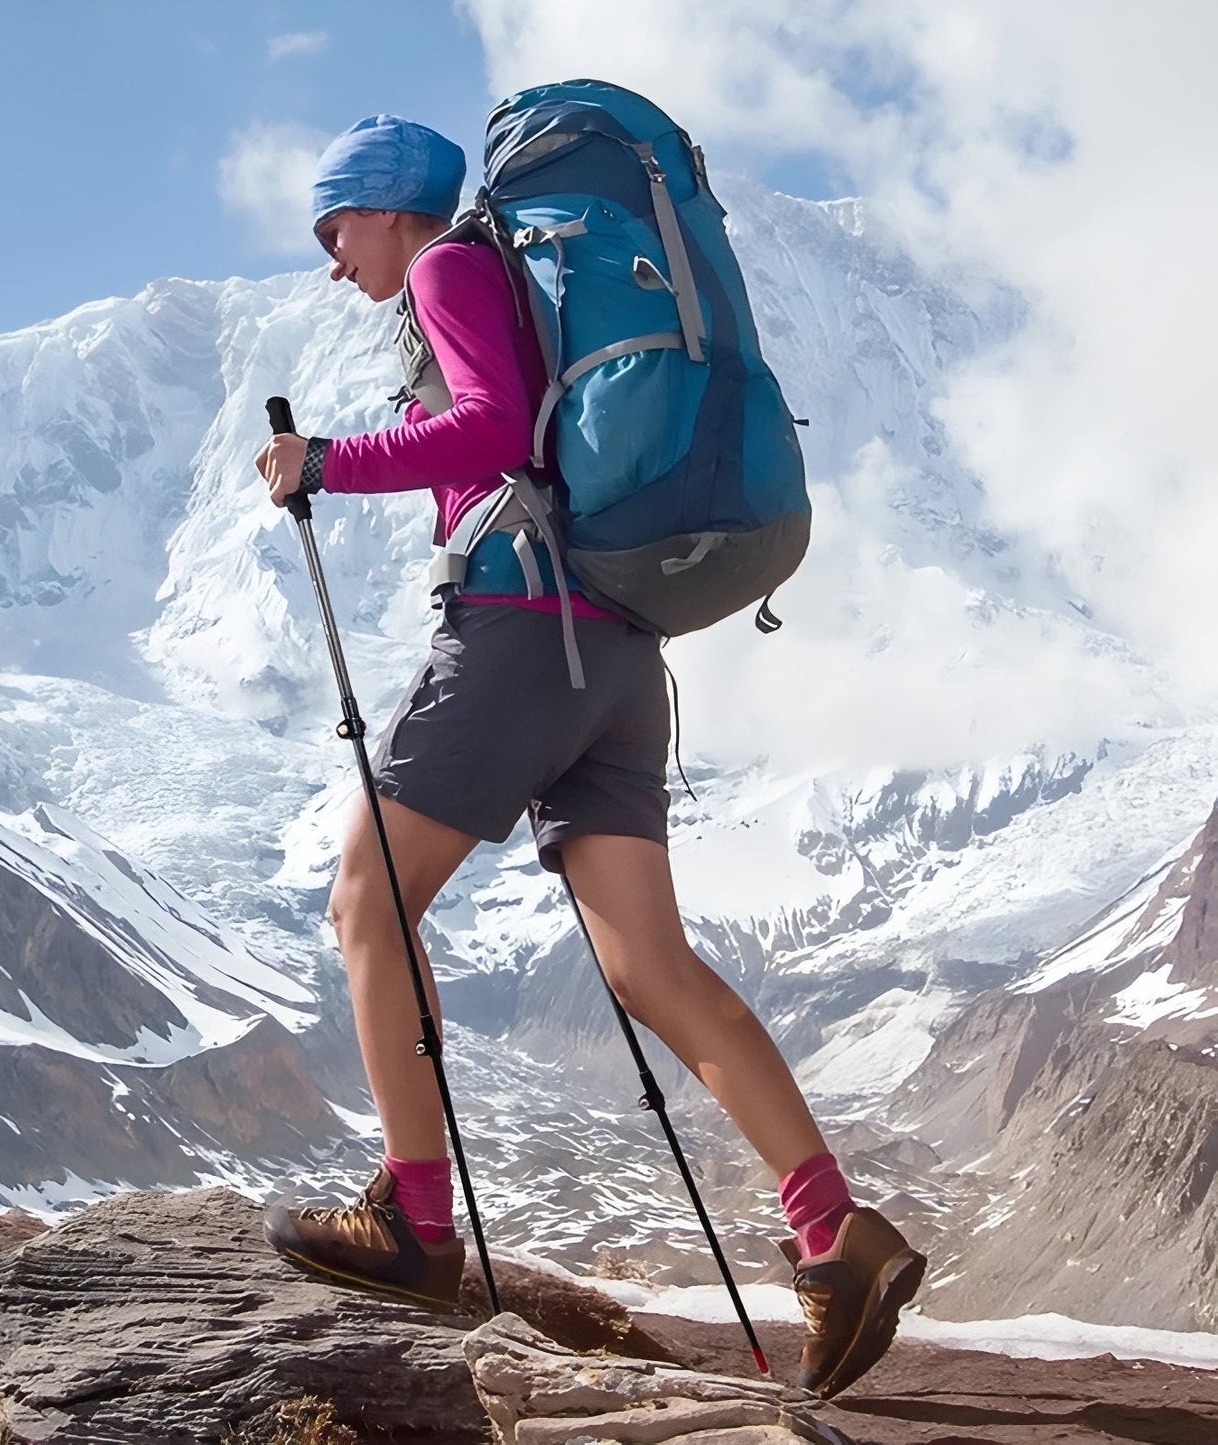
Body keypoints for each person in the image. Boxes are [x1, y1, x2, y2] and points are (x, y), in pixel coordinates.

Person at [254, 113, 925, 1397]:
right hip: (616, 649)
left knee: (367, 902)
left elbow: (493, 429)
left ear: (384, 207)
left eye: (333, 228)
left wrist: (325, 461)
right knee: (649, 962)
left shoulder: (453, 265)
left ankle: (412, 1220)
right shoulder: (507, 274)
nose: (332, 260)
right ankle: (833, 1231)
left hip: (518, 634)